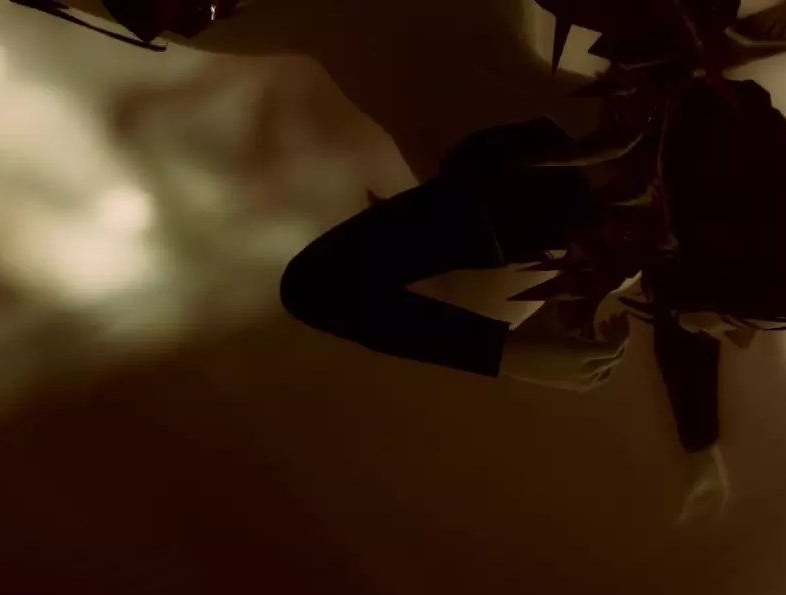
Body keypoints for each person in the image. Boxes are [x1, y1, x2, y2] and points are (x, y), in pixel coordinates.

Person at [278, 117, 732, 520]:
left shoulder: (684, 193)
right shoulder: (543, 211)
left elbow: (696, 296)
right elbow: (316, 286)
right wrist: (504, 353)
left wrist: (700, 441)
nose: (734, 338)